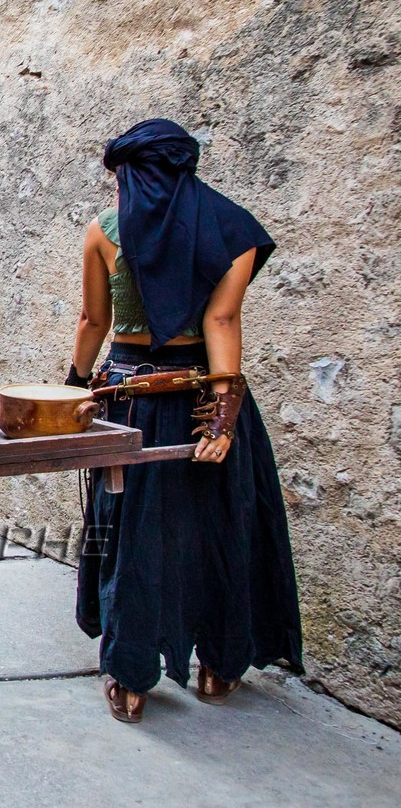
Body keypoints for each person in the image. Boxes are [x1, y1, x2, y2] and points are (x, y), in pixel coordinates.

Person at [70, 118, 302, 724]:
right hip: (205, 395)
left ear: (133, 175)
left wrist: (73, 387)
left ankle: (131, 673)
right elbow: (221, 324)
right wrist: (222, 422)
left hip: (131, 401)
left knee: (133, 533)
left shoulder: (105, 231)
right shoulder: (233, 231)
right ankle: (219, 665)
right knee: (220, 526)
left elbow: (94, 323)